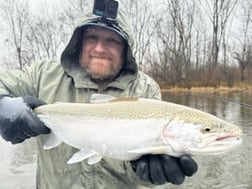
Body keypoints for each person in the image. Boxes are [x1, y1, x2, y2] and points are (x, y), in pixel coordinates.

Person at [0, 3, 198, 189]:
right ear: (78, 42)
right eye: (92, 37)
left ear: (125, 49)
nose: (100, 49)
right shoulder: (41, 76)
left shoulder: (146, 90)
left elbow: (146, 173)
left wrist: (146, 171)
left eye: (112, 40)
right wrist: (3, 107)